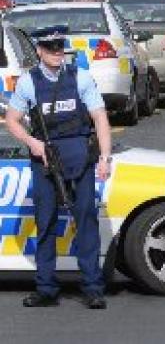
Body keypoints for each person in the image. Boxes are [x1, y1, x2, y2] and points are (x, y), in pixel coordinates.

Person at [4, 26, 112, 309]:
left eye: (60, 47)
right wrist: (32, 142)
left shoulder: (81, 77)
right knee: (46, 222)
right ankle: (46, 288)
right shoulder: (28, 81)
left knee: (86, 221)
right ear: (39, 51)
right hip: (45, 160)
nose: (57, 53)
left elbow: (99, 118)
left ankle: (92, 287)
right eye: (50, 49)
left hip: (79, 156)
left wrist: (105, 157)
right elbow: (13, 120)